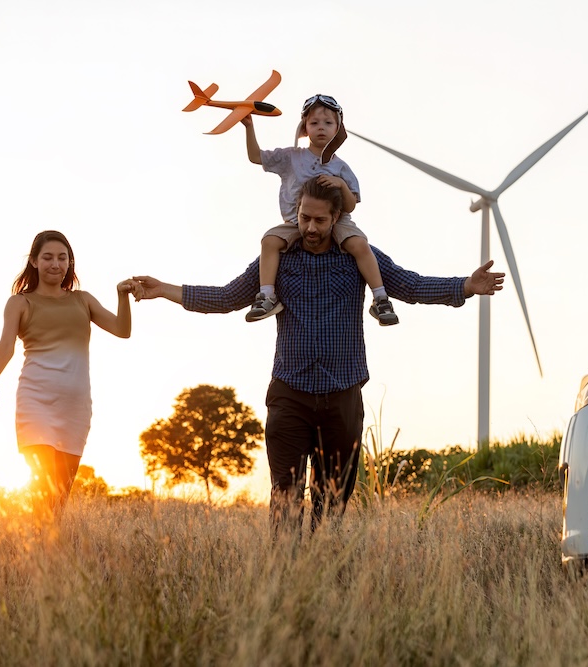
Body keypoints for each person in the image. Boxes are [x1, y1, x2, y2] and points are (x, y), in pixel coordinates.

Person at [133, 179, 503, 538]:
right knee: (286, 498)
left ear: (336, 218)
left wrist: (465, 287)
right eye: (304, 217)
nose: (310, 227)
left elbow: (409, 284)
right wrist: (164, 290)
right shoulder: (277, 258)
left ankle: (324, 583)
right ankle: (284, 585)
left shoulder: (358, 257)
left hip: (342, 396)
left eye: (320, 220)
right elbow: (228, 297)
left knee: (332, 506)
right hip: (290, 394)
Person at [0, 230, 141, 525]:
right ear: (34, 261)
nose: (55, 264)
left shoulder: (83, 301)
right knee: (42, 486)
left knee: (59, 500)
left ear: (70, 263)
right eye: (48, 257)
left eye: (62, 258)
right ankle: (37, 557)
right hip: (35, 401)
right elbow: (6, 345)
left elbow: (122, 330)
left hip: (75, 408)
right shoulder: (20, 303)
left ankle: (48, 558)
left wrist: (122, 296)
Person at [241, 93, 399, 326]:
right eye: (314, 123)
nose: (321, 128)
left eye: (328, 123)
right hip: (296, 222)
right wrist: (249, 127)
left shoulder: (340, 167)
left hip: (336, 222)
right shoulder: (291, 157)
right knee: (269, 241)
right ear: (305, 127)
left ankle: (380, 298)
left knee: (360, 245)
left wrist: (341, 185)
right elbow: (255, 157)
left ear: (338, 128)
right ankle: (267, 295)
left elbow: (350, 205)